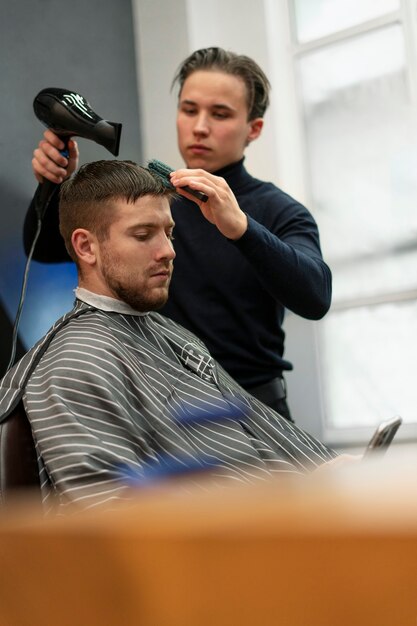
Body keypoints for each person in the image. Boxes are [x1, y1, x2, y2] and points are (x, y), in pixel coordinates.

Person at [2, 160, 336, 513]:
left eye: (169, 232)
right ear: (86, 247)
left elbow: (251, 437)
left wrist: (324, 471)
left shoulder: (169, 335)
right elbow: (117, 520)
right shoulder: (76, 364)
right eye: (144, 235)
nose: (168, 251)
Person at [24, 47, 332, 421]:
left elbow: (315, 296)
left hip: (254, 412)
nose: (200, 126)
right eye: (189, 110)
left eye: (220, 114)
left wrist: (241, 228)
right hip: (162, 410)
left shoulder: (280, 212)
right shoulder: (150, 200)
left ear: (254, 129)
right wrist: (52, 186)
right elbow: (44, 249)